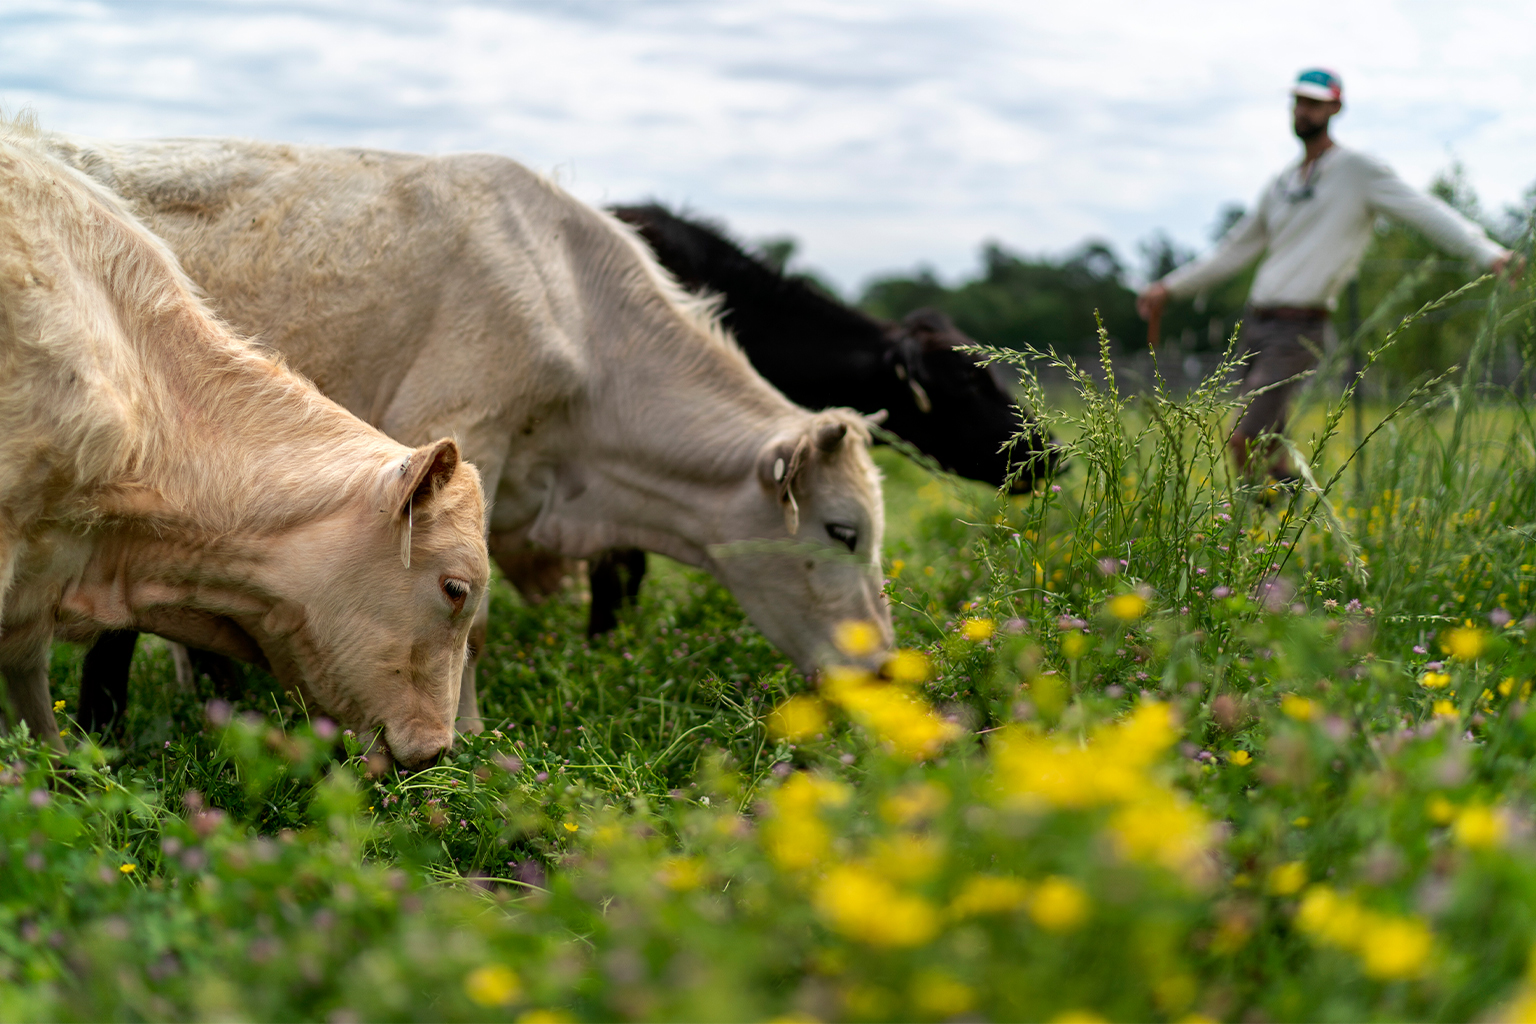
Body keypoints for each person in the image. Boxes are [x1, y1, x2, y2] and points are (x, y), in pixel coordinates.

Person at [1137, 68, 1519, 478]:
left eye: (1314, 103)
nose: (1304, 110)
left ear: (1335, 107)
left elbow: (1423, 210)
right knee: (1264, 445)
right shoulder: (1281, 184)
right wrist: (1169, 288)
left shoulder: (1357, 171)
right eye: (1299, 101)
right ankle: (1274, 523)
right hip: (1256, 323)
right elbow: (1232, 250)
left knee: (1244, 438)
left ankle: (1284, 513)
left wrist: (1488, 253)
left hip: (1297, 330)